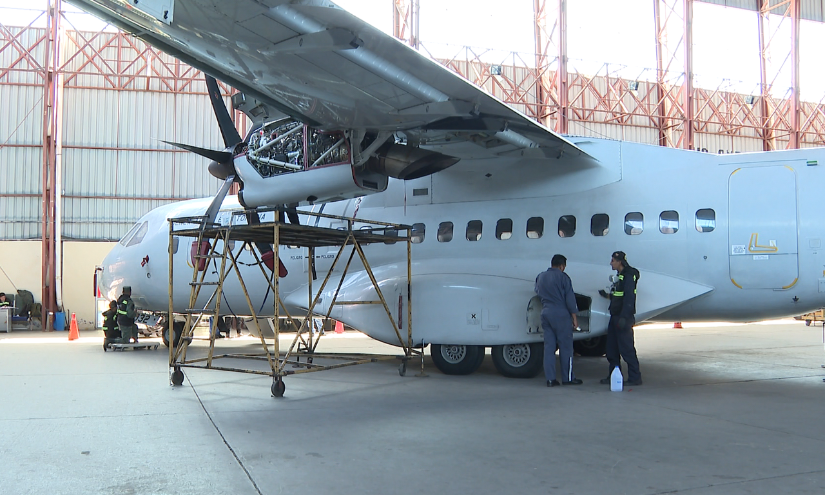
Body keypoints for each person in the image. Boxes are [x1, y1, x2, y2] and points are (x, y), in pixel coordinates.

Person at [535, 254, 582, 387]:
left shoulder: (541, 276)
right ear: (562, 266)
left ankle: (550, 379)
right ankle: (568, 378)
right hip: (561, 314)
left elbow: (537, 292)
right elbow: (570, 299)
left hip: (546, 313)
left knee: (549, 348)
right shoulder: (563, 277)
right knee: (566, 348)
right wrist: (574, 318)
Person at [600, 251, 642, 387]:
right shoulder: (620, 276)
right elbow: (619, 296)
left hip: (623, 317)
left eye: (613, 261)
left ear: (620, 262)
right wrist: (607, 296)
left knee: (626, 348)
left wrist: (624, 317)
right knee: (611, 348)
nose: (611, 263)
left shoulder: (628, 276)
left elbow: (629, 297)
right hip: (615, 316)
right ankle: (613, 374)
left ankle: (635, 377)